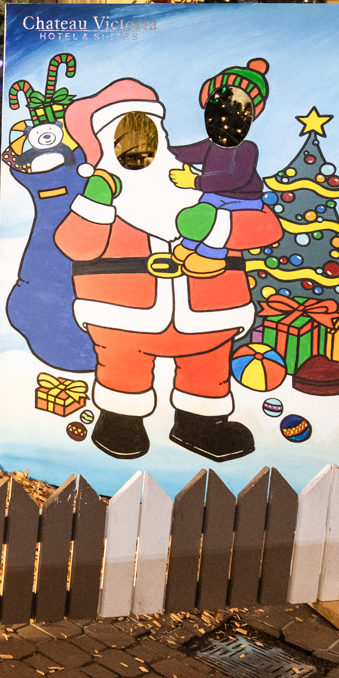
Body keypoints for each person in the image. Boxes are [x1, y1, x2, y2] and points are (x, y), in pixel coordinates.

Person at [53, 78, 282, 462]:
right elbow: (75, 244)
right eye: (126, 144)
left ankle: (200, 424)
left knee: (208, 366)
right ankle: (121, 420)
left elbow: (266, 227)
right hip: (123, 316)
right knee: (123, 368)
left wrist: (216, 226)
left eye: (149, 138)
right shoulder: (105, 200)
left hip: (209, 312)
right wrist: (95, 203)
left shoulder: (202, 189)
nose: (140, 152)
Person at [169, 58, 272, 277]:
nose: (221, 120)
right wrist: (161, 150)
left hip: (243, 201)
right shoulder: (210, 145)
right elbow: (185, 153)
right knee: (201, 213)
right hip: (214, 197)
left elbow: (235, 179)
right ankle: (189, 245)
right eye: (214, 112)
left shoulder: (247, 149)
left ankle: (211, 255)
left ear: (248, 119)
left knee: (219, 219)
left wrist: (196, 182)